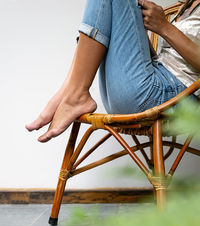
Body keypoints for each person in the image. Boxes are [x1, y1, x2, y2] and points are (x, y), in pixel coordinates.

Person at [26, 0, 200, 143]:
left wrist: (163, 27)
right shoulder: (188, 5)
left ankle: (73, 93)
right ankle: (70, 91)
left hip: (170, 101)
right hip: (149, 90)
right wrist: (133, 28)